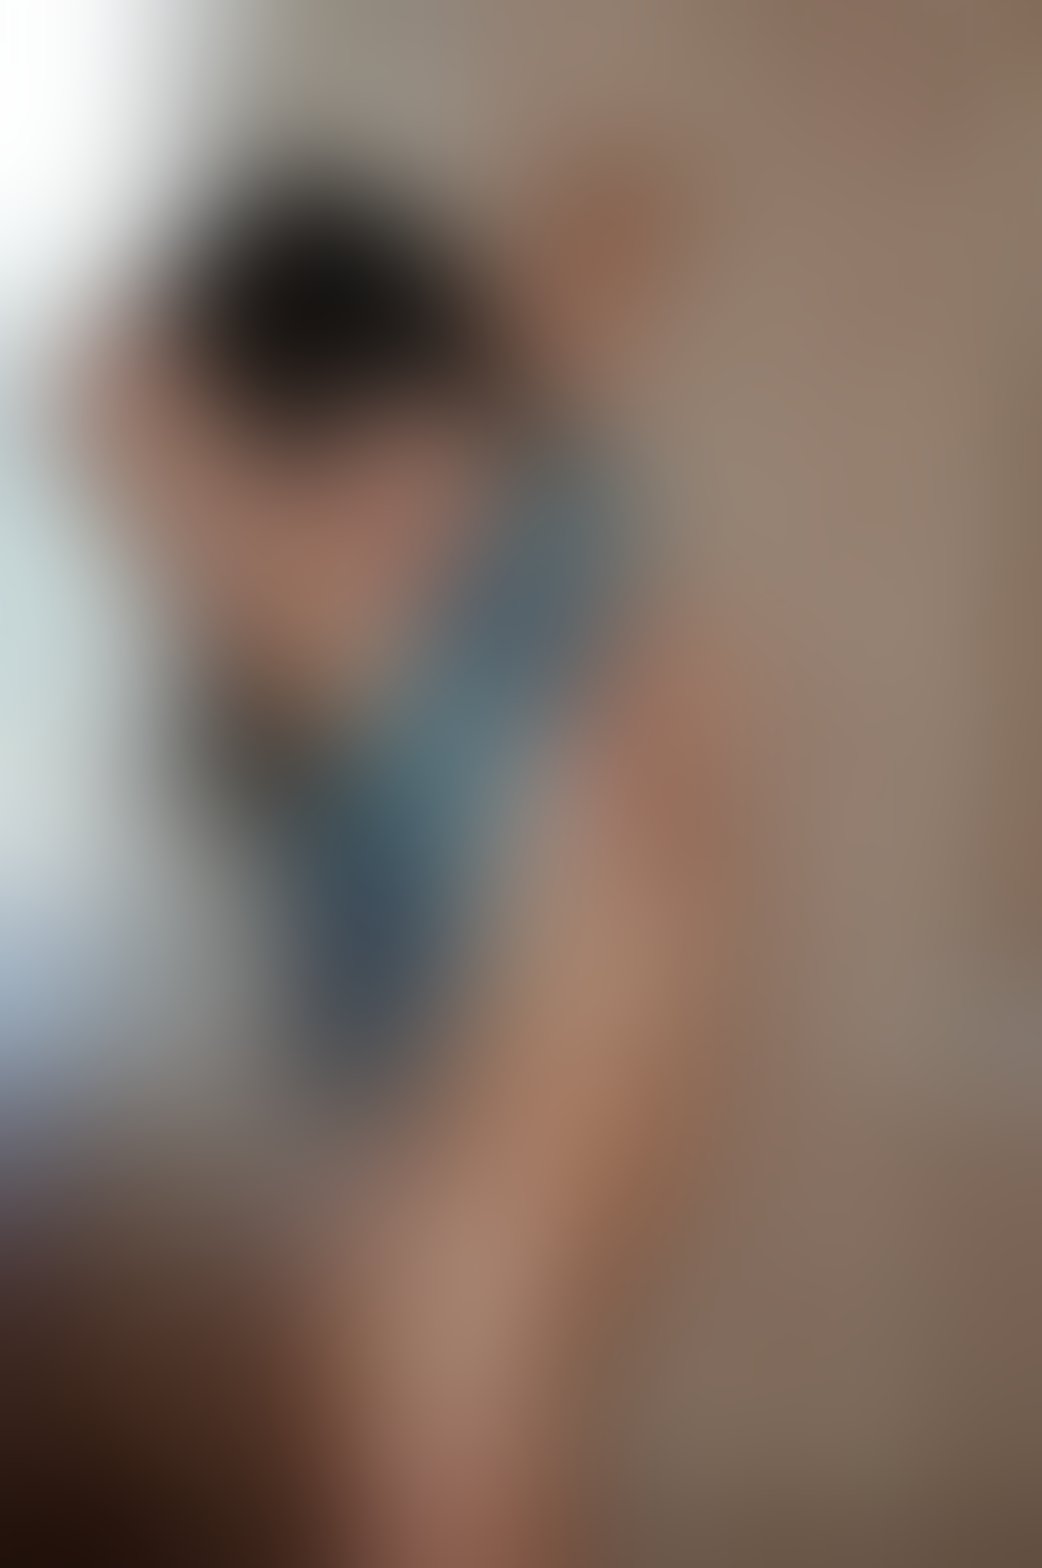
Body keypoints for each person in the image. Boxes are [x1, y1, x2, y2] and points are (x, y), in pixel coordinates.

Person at [20, 165, 724, 1565]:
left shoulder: (533, 550)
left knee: (441, 1489)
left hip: (509, 1137)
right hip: (444, 1121)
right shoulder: (400, 587)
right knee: (432, 1480)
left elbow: (107, 405)